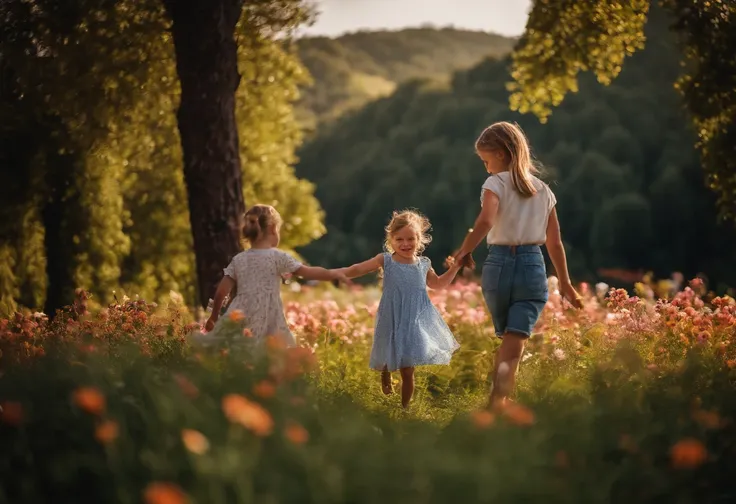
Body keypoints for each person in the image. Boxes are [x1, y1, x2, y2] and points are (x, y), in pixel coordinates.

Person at [452, 121, 583, 408]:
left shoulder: (494, 184)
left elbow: (486, 221)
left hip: (498, 266)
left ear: (500, 153)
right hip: (532, 266)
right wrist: (566, 284)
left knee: (508, 341)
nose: (486, 168)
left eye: (487, 161)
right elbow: (555, 243)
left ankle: (496, 404)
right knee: (514, 342)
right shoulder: (544, 190)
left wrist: (464, 252)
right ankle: (499, 403)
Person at [336, 210, 462, 408]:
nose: (405, 244)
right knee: (388, 349)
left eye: (411, 239)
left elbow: (437, 284)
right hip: (391, 314)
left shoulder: (424, 264)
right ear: (391, 240)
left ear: (419, 239)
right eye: (399, 239)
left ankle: (404, 409)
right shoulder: (385, 260)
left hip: (415, 319)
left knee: (407, 368)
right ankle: (385, 371)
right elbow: (358, 268)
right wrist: (338, 273)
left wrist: (454, 268)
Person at [204, 204, 349, 347]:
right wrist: (332, 274)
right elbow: (308, 272)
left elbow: (221, 292)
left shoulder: (239, 259)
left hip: (240, 314)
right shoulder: (278, 257)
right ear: (273, 228)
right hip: (268, 316)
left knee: (240, 351)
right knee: (272, 354)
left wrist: (214, 316)